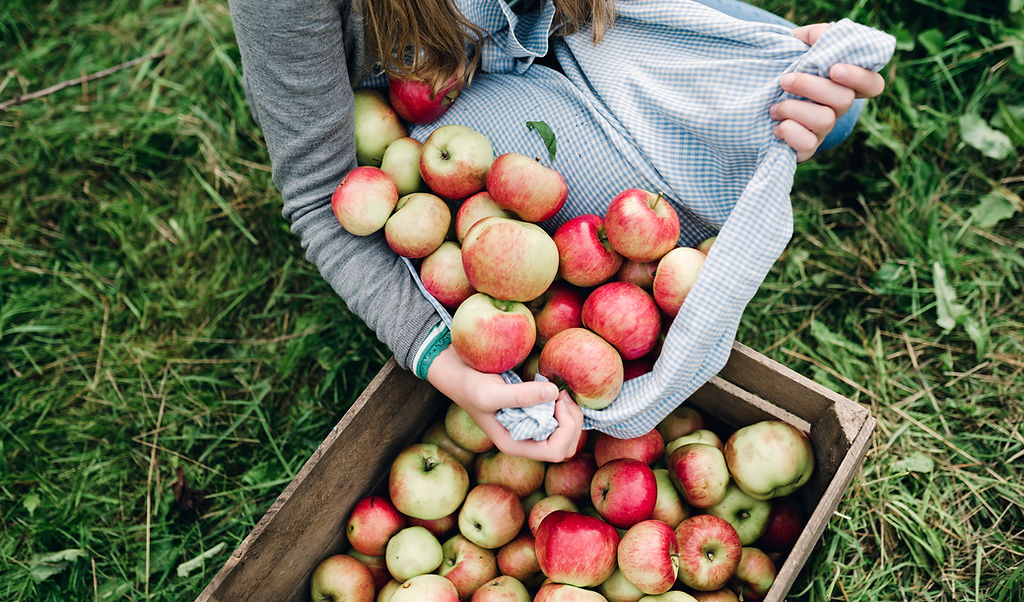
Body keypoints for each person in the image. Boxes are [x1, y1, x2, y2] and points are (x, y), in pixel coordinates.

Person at [227, 0, 886, 462]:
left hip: (567, 17)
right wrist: (449, 364)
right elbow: (320, 195)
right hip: (430, 90)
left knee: (825, 109)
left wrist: (739, 66)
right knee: (611, 240)